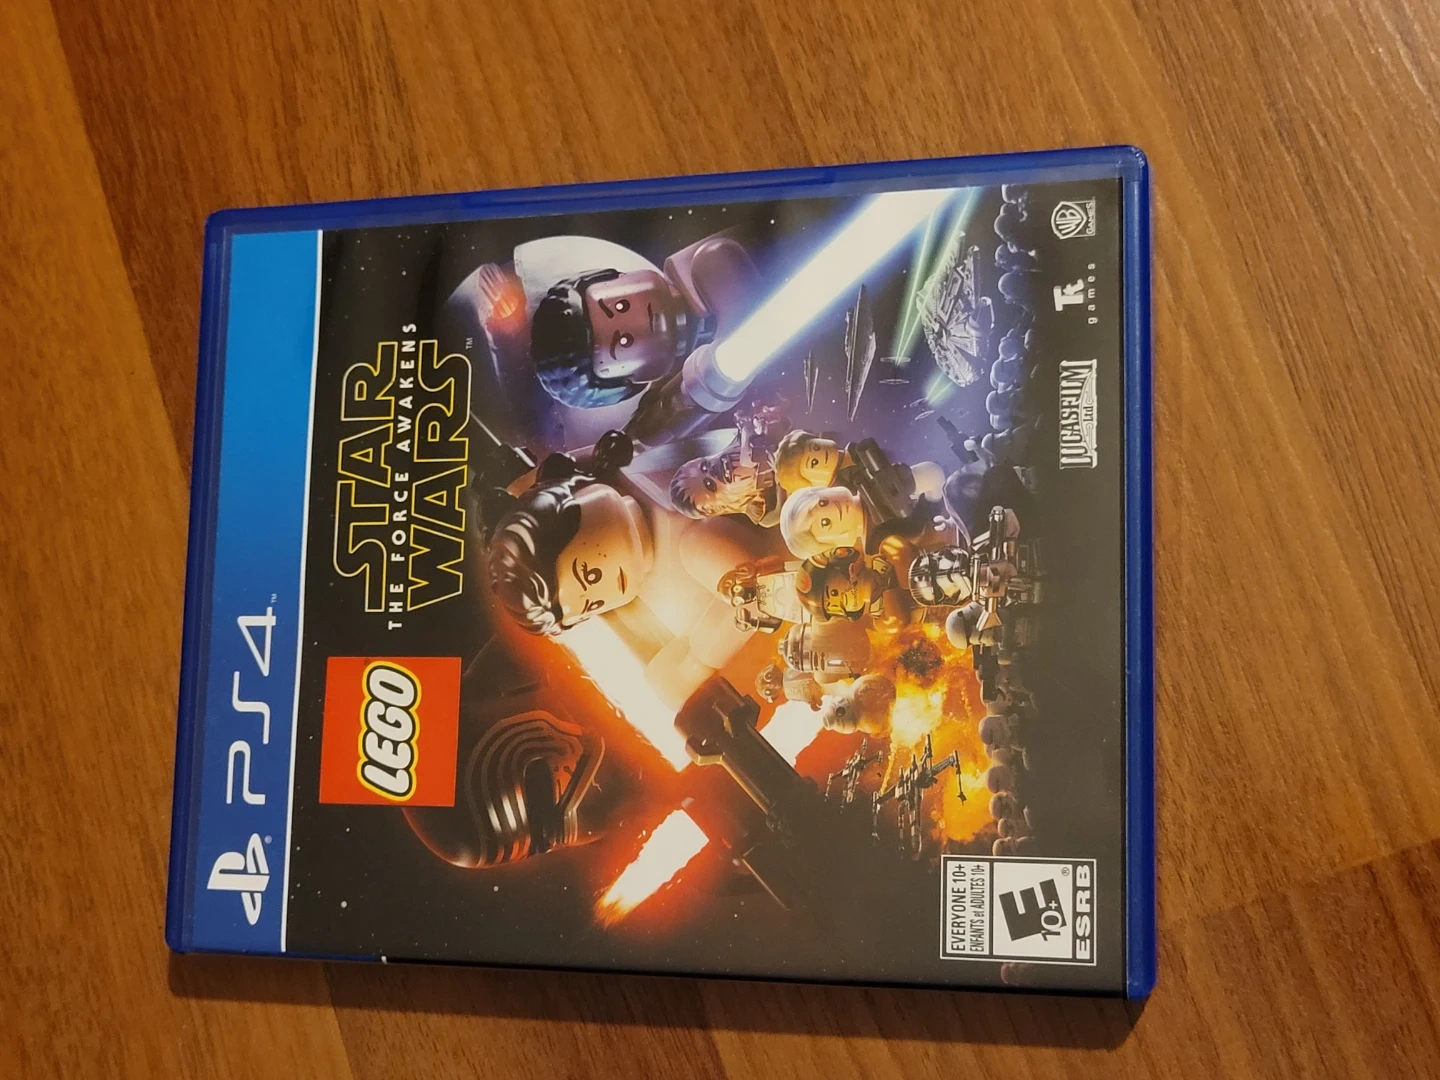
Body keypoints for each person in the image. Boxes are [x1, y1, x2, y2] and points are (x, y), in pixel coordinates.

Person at [484, 433, 782, 709]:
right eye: (593, 604)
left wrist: (695, 664)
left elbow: (758, 593)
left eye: (590, 574)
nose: (608, 591)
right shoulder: (655, 587)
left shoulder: (688, 541)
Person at [528, 233, 758, 410]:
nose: (641, 320)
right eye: (624, 341)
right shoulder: (693, 373)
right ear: (630, 382)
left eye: (621, 306)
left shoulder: (706, 261)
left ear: (614, 277)